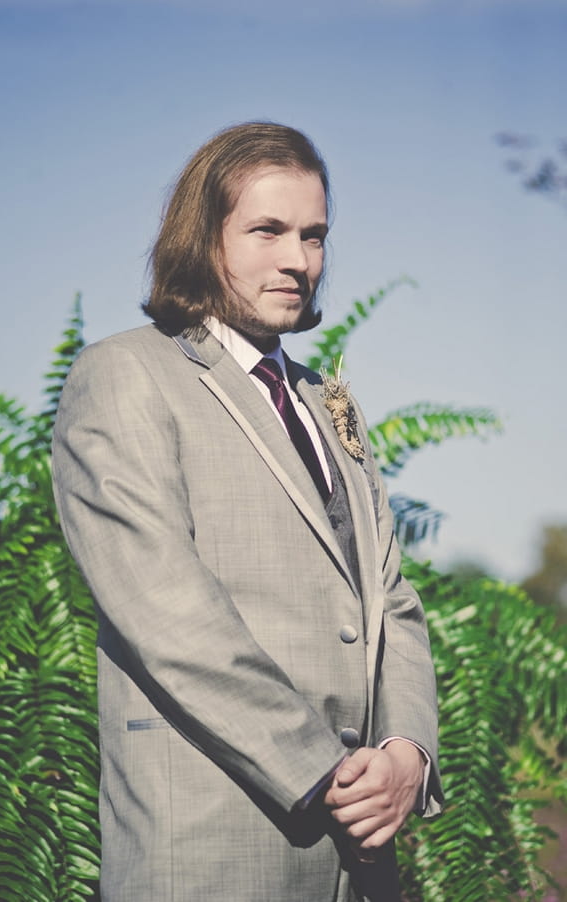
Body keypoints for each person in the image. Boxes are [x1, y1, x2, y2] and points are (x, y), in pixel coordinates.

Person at [52, 121, 443, 902]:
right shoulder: (124, 375)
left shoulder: (329, 403)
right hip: (212, 845)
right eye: (268, 230)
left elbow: (390, 601)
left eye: (314, 235)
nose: (299, 259)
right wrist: (324, 770)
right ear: (204, 237)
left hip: (361, 863)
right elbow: (165, 613)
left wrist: (405, 754)